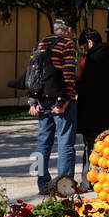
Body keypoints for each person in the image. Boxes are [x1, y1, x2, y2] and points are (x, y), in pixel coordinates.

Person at [75, 28, 109, 191]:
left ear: (90, 43)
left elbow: (85, 87)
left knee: (90, 147)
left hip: (92, 113)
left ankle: (88, 181)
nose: (83, 51)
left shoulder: (91, 61)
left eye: (83, 47)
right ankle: (108, 180)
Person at [30, 18, 79, 194]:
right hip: (60, 100)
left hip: (42, 100)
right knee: (65, 143)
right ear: (69, 29)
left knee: (43, 141)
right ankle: (63, 186)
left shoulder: (40, 44)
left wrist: (33, 100)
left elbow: (32, 72)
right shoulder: (67, 44)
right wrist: (65, 100)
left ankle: (42, 183)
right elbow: (68, 74)